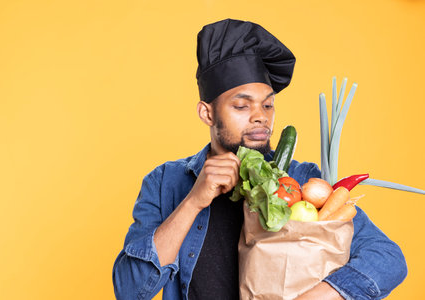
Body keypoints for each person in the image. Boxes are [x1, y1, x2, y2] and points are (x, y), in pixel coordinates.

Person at [112, 19, 407, 300]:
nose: (260, 116)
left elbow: (387, 257)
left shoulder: (304, 181)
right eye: (242, 105)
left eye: (268, 104)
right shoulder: (165, 182)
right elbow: (130, 289)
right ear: (207, 113)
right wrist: (193, 202)